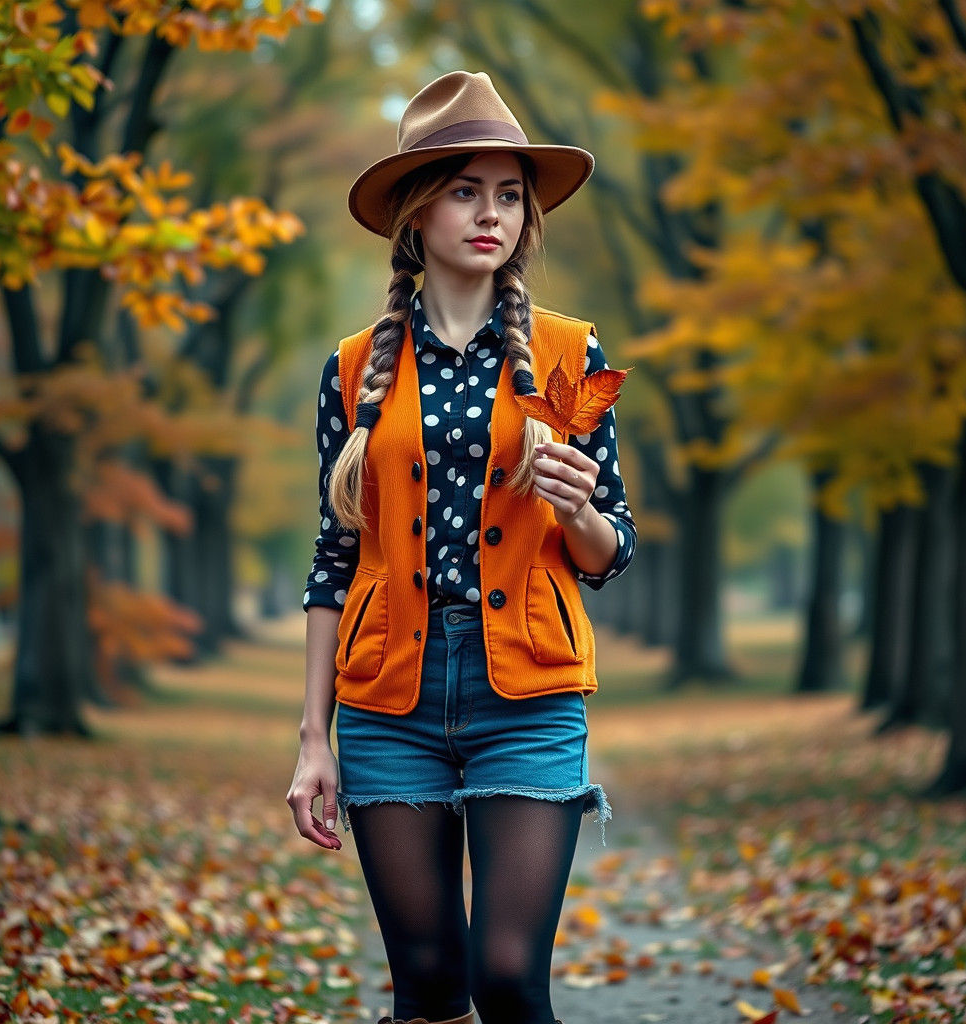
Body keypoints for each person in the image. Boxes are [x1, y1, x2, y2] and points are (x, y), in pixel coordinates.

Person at [287, 71, 637, 1024]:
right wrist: (314, 739)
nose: (493, 215)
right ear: (414, 212)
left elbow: (612, 551)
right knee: (430, 984)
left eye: (511, 195)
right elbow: (334, 558)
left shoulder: (572, 357)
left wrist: (578, 512)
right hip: (385, 700)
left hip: (524, 690)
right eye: (465, 190)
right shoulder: (355, 367)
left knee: (510, 980)